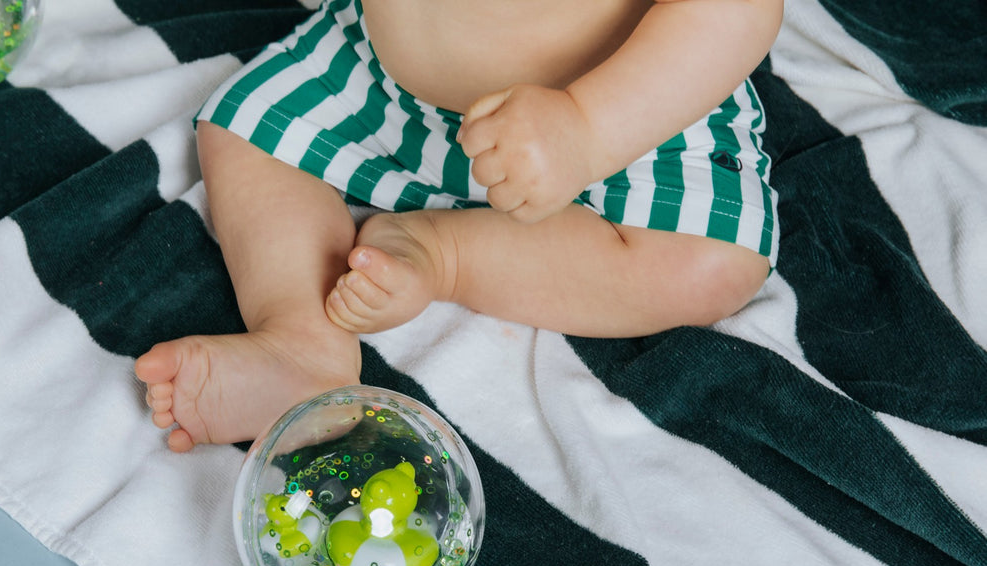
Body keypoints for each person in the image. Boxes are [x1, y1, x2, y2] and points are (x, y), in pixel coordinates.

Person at [136, 0, 783, 453]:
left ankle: (445, 252)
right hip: (385, 89)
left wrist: (588, 129)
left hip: (615, 117)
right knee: (244, 130)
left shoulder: (606, 120)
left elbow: (734, 10)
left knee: (708, 265)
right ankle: (303, 346)